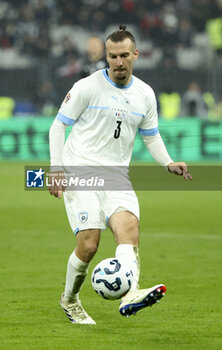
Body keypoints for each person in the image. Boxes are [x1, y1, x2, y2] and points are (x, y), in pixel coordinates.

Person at [49, 25, 192, 325]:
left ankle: (130, 295)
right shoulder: (88, 86)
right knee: (88, 246)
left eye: (124, 55)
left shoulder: (144, 95)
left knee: (129, 232)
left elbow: (151, 136)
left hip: (116, 177)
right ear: (106, 55)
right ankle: (70, 300)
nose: (118, 61)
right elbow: (58, 126)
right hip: (81, 171)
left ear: (135, 54)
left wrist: (167, 163)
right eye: (112, 56)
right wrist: (56, 168)